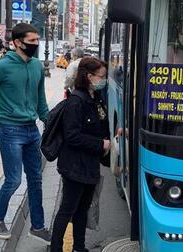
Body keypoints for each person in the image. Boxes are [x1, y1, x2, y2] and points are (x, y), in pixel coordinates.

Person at [0, 23, 51, 242]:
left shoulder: (37, 66)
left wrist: (49, 121)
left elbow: (41, 98)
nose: (36, 45)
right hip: (10, 130)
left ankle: (38, 227)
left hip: (32, 130)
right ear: (17, 42)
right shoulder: (2, 66)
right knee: (13, 180)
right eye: (31, 41)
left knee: (36, 179)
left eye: (38, 40)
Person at [51, 57, 111, 252]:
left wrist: (113, 135)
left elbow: (99, 125)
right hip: (74, 166)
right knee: (67, 210)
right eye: (101, 76)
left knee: (83, 210)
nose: (104, 80)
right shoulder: (76, 102)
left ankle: (79, 247)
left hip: (89, 164)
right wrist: (100, 143)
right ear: (89, 76)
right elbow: (72, 136)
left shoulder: (96, 98)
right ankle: (56, 248)